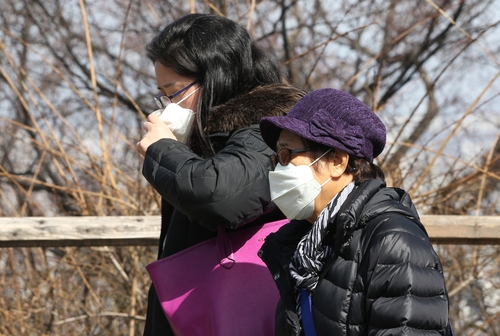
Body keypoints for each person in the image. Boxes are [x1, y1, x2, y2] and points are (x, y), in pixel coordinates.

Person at [136, 13, 306, 336]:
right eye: (162, 95)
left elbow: (219, 195)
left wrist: (161, 150)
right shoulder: (198, 146)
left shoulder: (270, 130)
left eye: (174, 93)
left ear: (216, 77)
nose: (165, 108)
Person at [258, 88, 452, 335]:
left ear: (337, 161)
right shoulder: (306, 249)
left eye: (287, 155)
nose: (278, 169)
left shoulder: (392, 240)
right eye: (277, 158)